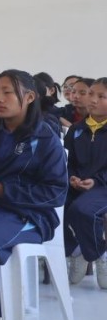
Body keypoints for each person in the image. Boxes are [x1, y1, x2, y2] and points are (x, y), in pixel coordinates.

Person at [0, 70, 68, 320]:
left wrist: (3, 190)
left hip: (29, 214)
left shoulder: (44, 138)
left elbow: (56, 191)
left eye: (7, 92)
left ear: (29, 97)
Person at [64, 77, 107, 287]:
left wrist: (97, 180)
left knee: (82, 209)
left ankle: (100, 255)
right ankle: (76, 250)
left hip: (103, 186)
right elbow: (68, 160)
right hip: (77, 184)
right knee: (50, 206)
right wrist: (72, 176)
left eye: (101, 96)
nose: (93, 100)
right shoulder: (77, 130)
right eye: (91, 94)